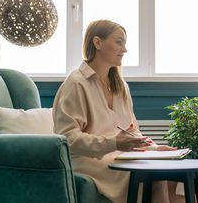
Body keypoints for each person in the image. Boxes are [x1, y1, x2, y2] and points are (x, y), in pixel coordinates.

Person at [53, 19, 176, 203]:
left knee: (170, 171)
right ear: (98, 42)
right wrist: (113, 143)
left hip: (118, 156)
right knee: (154, 175)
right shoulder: (76, 84)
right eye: (119, 42)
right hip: (87, 162)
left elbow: (131, 130)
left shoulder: (120, 86)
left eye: (124, 43)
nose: (124, 49)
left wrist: (154, 148)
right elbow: (67, 139)